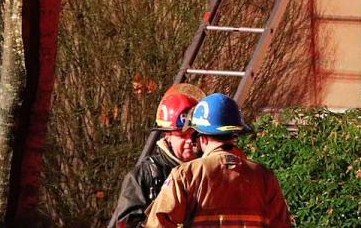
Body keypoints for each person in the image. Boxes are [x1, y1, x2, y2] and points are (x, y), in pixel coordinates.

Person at [145, 93, 292, 228]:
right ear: (235, 134)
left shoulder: (185, 175)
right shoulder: (264, 177)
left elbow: (158, 223)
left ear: (201, 136)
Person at [109, 87, 201, 228]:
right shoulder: (144, 176)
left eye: (194, 134)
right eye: (182, 135)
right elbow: (126, 223)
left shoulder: (207, 171)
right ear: (167, 135)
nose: (190, 141)